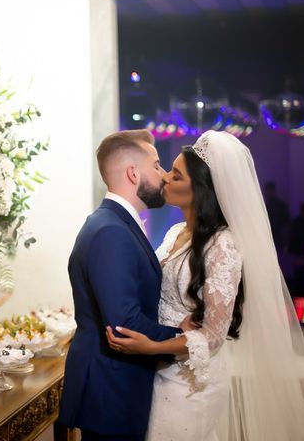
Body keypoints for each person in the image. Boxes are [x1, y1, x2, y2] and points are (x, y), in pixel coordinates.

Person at [106, 131, 304, 440]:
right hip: (159, 372)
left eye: (176, 176)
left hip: (189, 382)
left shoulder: (223, 244)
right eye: (169, 169)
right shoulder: (174, 232)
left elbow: (212, 336)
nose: (165, 178)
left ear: (202, 191)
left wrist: (152, 347)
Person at [59, 129, 186, 441]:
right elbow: (123, 324)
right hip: (112, 392)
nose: (163, 175)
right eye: (156, 165)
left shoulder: (113, 223)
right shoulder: (111, 231)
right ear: (133, 173)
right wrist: (184, 338)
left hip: (115, 389)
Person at [264, 181, 290, 251]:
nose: (269, 192)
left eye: (270, 190)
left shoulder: (280, 204)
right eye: (268, 190)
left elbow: (286, 218)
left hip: (279, 231)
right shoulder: (266, 205)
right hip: (270, 231)